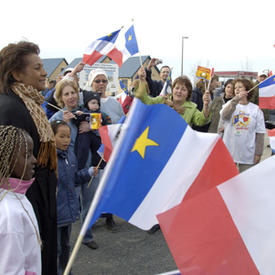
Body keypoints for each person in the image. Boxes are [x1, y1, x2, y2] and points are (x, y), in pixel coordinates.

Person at [0, 41, 58, 274]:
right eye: (37, 68)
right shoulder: (9, 108)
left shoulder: (31, 103)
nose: (44, 72)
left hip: (39, 197)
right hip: (25, 199)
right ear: (15, 73)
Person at [49, 78, 99, 249]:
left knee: (89, 202)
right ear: (61, 98)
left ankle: (87, 236)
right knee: (69, 203)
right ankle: (64, 241)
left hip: (87, 165)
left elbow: (102, 133)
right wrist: (65, 123)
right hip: (68, 169)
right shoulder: (57, 116)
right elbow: (48, 140)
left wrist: (91, 128)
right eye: (66, 94)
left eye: (73, 92)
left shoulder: (86, 112)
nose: (71, 97)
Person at [51, 120, 97, 275]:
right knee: (55, 249)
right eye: (61, 136)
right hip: (54, 215)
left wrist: (89, 172)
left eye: (68, 136)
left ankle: (66, 271)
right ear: (52, 136)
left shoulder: (70, 155)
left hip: (68, 213)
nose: (66, 140)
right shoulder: (48, 159)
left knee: (65, 246)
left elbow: (75, 179)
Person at [0, 125, 41, 274]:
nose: (35, 160)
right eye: (27, 155)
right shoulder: (10, 213)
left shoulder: (16, 196)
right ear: (6, 160)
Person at [220, 78, 266, 172]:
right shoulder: (230, 104)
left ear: (247, 89)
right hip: (229, 153)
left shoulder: (256, 110)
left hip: (247, 155)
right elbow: (224, 116)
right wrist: (235, 100)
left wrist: (258, 153)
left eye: (240, 87)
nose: (237, 89)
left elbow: (260, 133)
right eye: (235, 87)